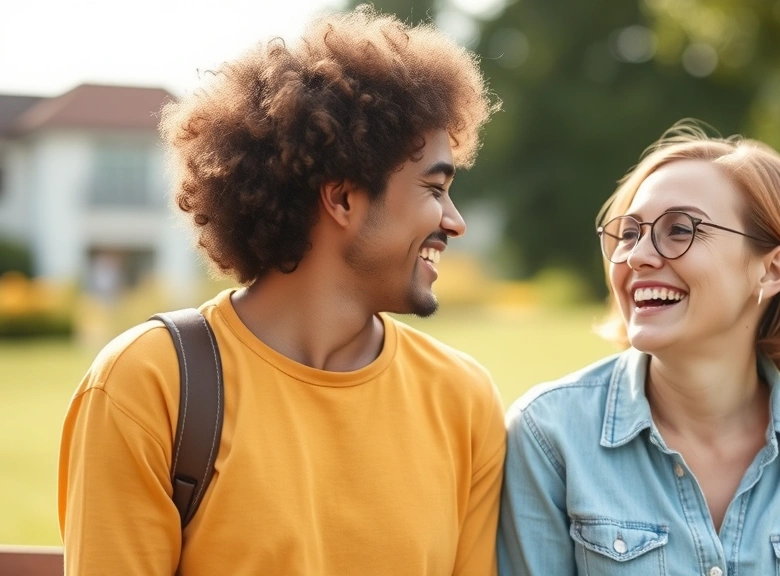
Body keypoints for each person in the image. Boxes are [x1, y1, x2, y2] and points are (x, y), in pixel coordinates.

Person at [58, 8, 505, 575]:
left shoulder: (463, 399)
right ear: (342, 198)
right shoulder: (148, 384)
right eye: (434, 188)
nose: (455, 221)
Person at [498, 121, 780, 575]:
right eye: (630, 233)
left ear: (771, 270)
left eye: (680, 229)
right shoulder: (549, 436)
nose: (638, 256)